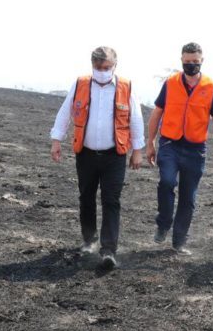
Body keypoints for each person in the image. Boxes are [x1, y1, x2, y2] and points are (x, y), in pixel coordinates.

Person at [50, 46, 144, 270]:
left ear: (115, 66)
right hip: (86, 153)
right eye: (98, 67)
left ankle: (109, 250)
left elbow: (136, 118)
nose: (102, 71)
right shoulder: (81, 84)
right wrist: (56, 140)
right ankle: (88, 239)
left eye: (106, 67)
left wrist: (137, 150)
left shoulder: (126, 87)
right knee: (86, 196)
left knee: (111, 201)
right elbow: (66, 112)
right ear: (92, 66)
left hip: (114, 155)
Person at [145, 42, 213, 255]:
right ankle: (163, 223)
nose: (191, 65)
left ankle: (179, 241)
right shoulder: (171, 83)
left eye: (195, 62)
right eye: (188, 62)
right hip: (170, 144)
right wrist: (150, 142)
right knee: (166, 182)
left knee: (188, 198)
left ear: (202, 61)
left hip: (195, 149)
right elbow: (157, 113)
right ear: (181, 60)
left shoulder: (211, 87)